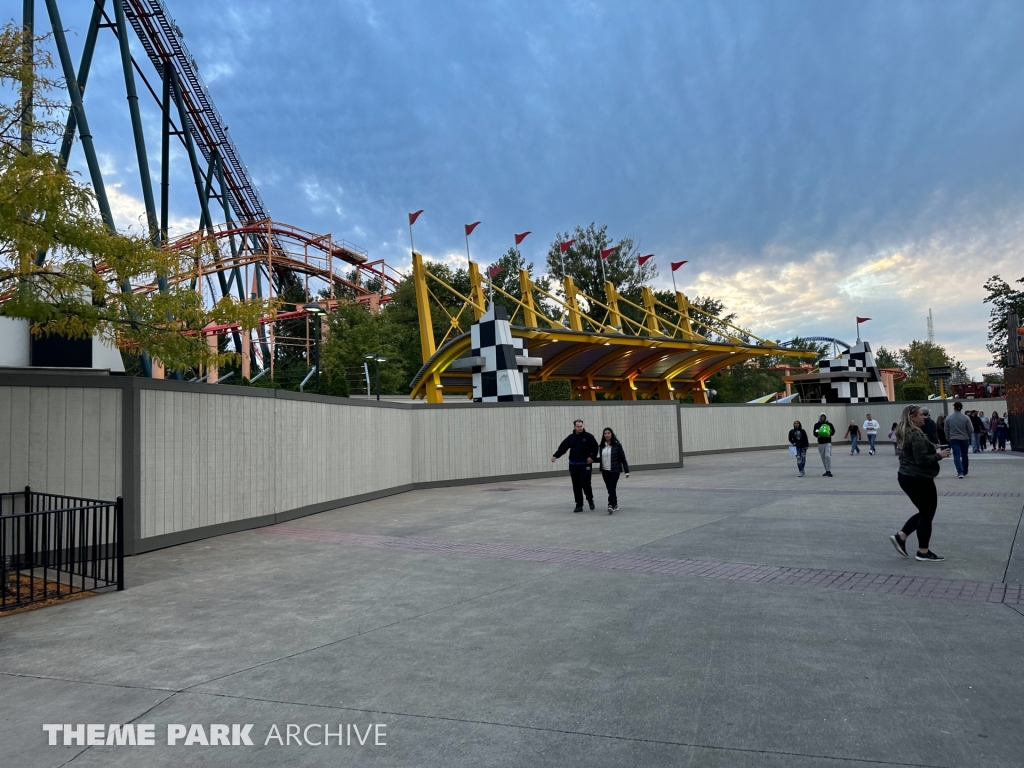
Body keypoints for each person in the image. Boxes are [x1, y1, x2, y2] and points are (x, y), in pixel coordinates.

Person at [889, 404, 951, 562]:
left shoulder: (905, 432)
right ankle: (923, 551)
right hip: (918, 478)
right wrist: (940, 455)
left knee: (925, 511)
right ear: (912, 417)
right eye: (921, 415)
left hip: (907, 476)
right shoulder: (915, 434)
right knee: (927, 513)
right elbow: (922, 460)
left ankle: (901, 537)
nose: (925, 417)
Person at [551, 419, 599, 513]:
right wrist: (555, 456)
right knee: (576, 485)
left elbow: (595, 447)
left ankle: (590, 500)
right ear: (574, 427)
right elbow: (563, 448)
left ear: (583, 426)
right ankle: (579, 505)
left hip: (585, 464)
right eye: (578, 426)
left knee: (585, 483)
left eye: (581, 426)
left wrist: (592, 457)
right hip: (573, 465)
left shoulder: (588, 436)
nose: (580, 428)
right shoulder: (570, 438)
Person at [597, 427, 629, 514]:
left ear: (612, 434)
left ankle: (610, 505)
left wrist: (627, 470)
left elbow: (622, 458)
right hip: (605, 470)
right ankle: (615, 504)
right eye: (605, 433)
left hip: (615, 470)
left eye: (608, 433)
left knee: (611, 487)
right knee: (610, 488)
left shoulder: (617, 445)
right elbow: (601, 458)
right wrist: (591, 460)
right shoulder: (601, 446)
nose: (607, 435)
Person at [943, 401, 973, 479]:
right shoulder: (966, 417)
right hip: (964, 438)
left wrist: (948, 437)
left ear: (954, 408)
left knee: (956, 455)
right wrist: (968, 436)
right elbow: (970, 429)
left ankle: (959, 472)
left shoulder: (949, 418)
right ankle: (965, 470)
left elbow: (946, 429)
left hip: (953, 438)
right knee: (964, 454)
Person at [813, 412, 835, 477]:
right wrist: (818, 435)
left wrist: (830, 433)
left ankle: (829, 470)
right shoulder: (817, 425)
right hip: (820, 443)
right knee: (823, 457)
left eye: (824, 417)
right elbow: (815, 433)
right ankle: (826, 470)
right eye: (821, 417)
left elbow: (833, 432)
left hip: (827, 442)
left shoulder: (829, 424)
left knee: (827, 456)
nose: (822, 418)